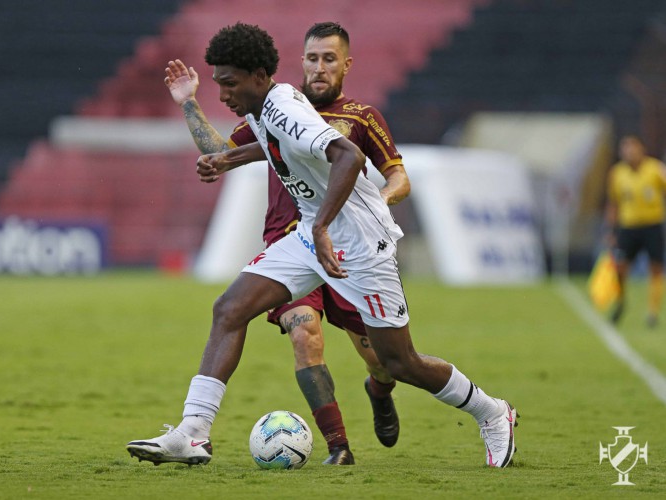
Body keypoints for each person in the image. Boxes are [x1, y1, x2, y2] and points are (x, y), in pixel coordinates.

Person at [126, 22, 518, 468]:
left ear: (258, 76)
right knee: (230, 309)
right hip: (312, 236)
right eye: (219, 83)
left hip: (362, 244)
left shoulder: (285, 109)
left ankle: (492, 412)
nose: (223, 94)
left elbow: (348, 155)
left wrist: (321, 227)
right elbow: (274, 145)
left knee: (399, 362)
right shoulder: (266, 106)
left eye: (229, 83)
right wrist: (226, 157)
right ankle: (193, 433)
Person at [154, 22, 409, 465]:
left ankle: (380, 389)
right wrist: (189, 103)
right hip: (291, 243)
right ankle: (338, 447)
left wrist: (374, 208)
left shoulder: (362, 117)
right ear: (301, 62)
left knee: (384, 360)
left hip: (350, 248)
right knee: (302, 334)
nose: (319, 67)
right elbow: (219, 150)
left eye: (329, 59)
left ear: (346, 64)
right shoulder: (273, 109)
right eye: (312, 58)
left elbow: (398, 176)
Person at [605, 135, 666, 327]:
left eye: (633, 149)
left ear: (642, 149)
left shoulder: (655, 169)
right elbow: (613, 203)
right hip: (628, 227)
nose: (629, 153)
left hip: (652, 225)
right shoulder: (617, 173)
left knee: (656, 268)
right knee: (620, 267)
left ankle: (653, 312)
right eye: (625, 150)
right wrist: (611, 230)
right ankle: (621, 301)